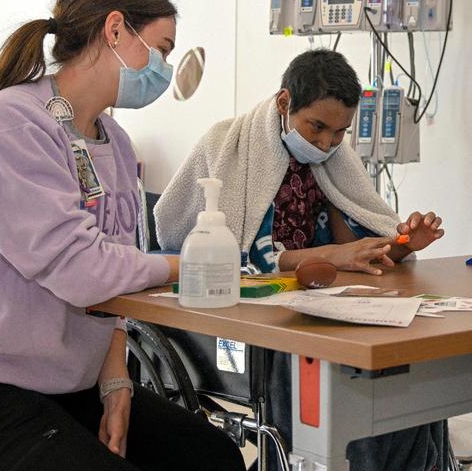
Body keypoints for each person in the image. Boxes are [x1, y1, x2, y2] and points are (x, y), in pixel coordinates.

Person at [0, 0, 245, 471]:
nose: (164, 68)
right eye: (162, 48)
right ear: (115, 30)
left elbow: (108, 290)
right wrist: (188, 263)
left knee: (211, 456)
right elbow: (80, 270)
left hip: (66, 383)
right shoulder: (14, 122)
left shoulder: (114, 141)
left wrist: (116, 383)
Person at [154, 47, 447, 471]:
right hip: (251, 310)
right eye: (317, 127)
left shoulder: (331, 159)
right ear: (284, 102)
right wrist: (336, 254)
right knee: (339, 378)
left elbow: (358, 234)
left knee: (403, 368)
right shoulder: (231, 145)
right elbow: (245, 256)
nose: (327, 143)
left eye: (340, 132)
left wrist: (402, 243)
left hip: (317, 298)